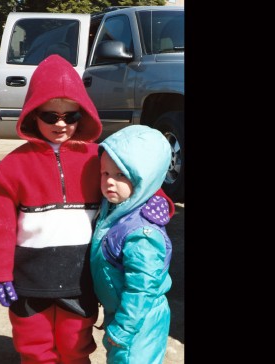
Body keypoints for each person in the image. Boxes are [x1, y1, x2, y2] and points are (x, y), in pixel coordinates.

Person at [0, 54, 103, 363]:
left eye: (70, 116)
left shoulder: (100, 157)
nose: (61, 124)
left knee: (75, 345)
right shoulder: (13, 166)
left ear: (83, 114)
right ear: (33, 115)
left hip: (81, 279)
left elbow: (138, 174)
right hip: (29, 279)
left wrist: (156, 199)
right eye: (50, 116)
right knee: (34, 347)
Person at [90, 125, 175, 364]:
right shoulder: (118, 211)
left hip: (139, 321)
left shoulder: (142, 233)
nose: (109, 182)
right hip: (125, 314)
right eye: (105, 173)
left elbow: (142, 288)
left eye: (120, 175)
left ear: (144, 178)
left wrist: (124, 329)